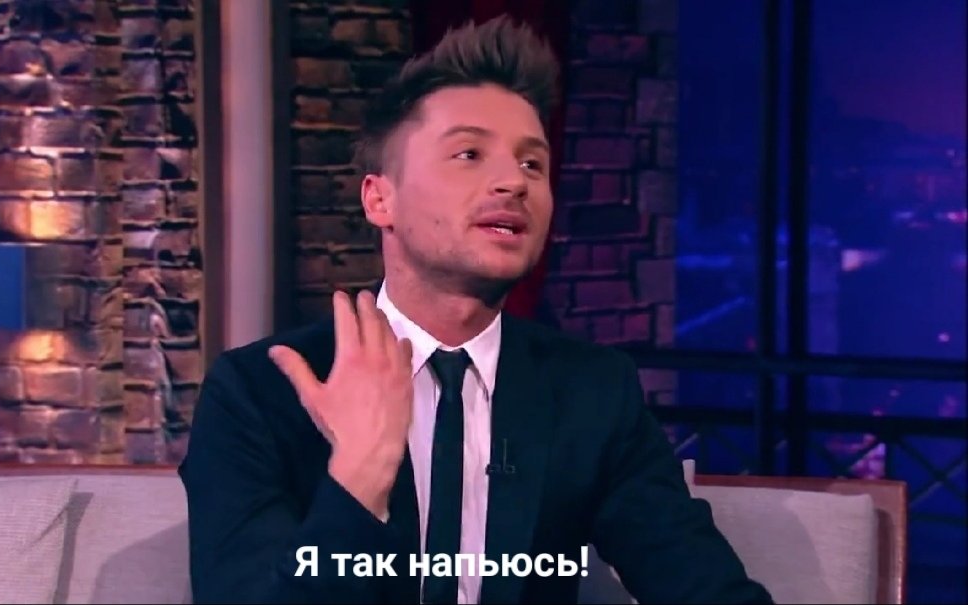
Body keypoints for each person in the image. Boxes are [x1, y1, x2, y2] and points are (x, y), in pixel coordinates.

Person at [179, 15, 774, 605]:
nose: (514, 183)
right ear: (380, 199)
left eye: (532, 163)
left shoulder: (591, 392)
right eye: (469, 153)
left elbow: (701, 584)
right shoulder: (258, 393)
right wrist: (360, 474)